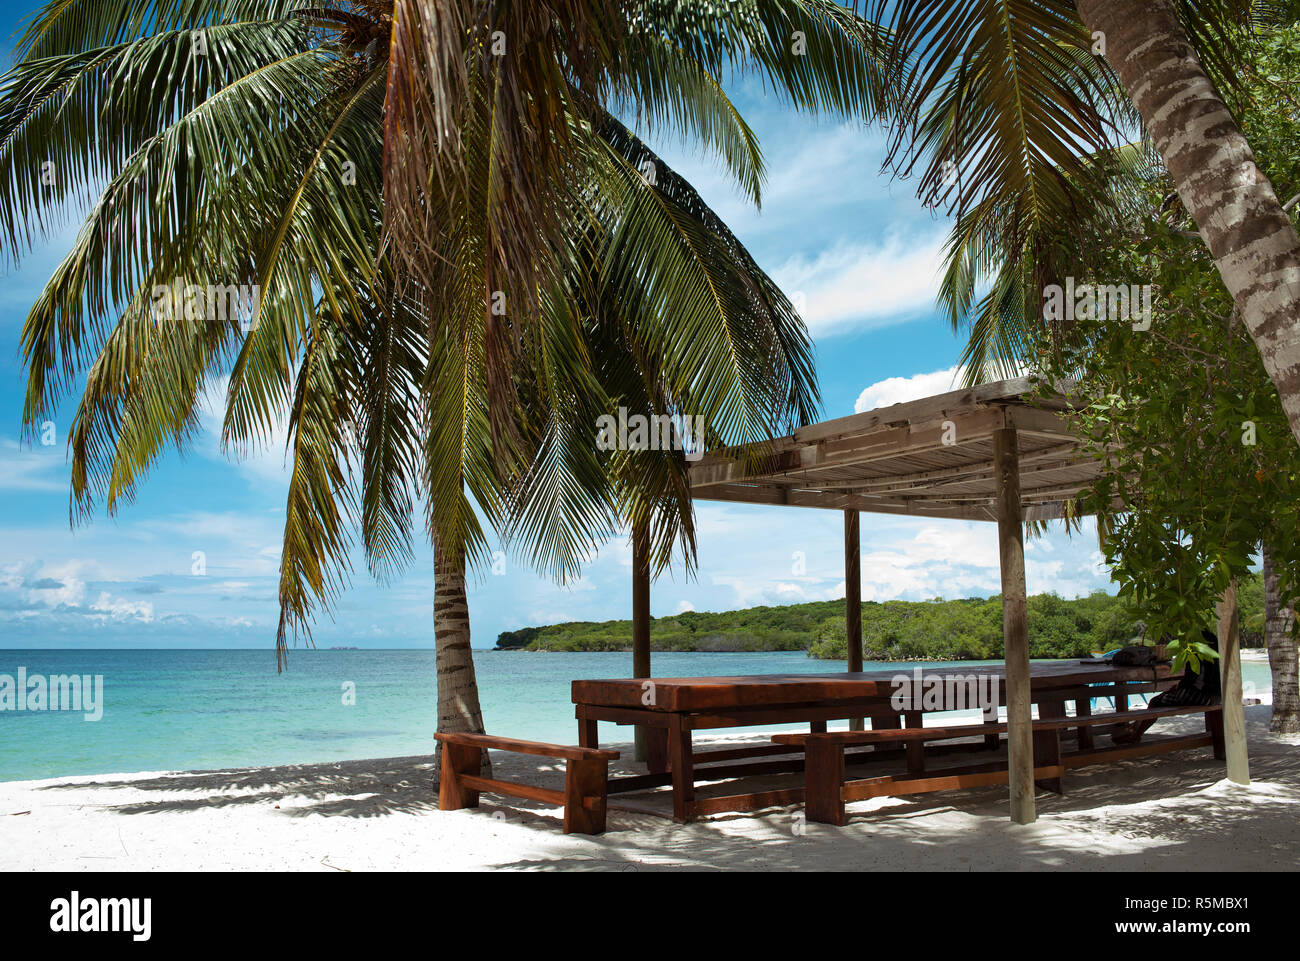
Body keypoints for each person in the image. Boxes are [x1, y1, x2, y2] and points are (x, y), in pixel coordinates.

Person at [1111, 629, 1220, 745]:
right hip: (1217, 695)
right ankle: (1136, 730)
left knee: (1154, 702)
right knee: (1165, 695)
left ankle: (1136, 735)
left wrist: (1178, 688)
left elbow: (1192, 677)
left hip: (1202, 696)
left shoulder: (1195, 649)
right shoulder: (1214, 645)